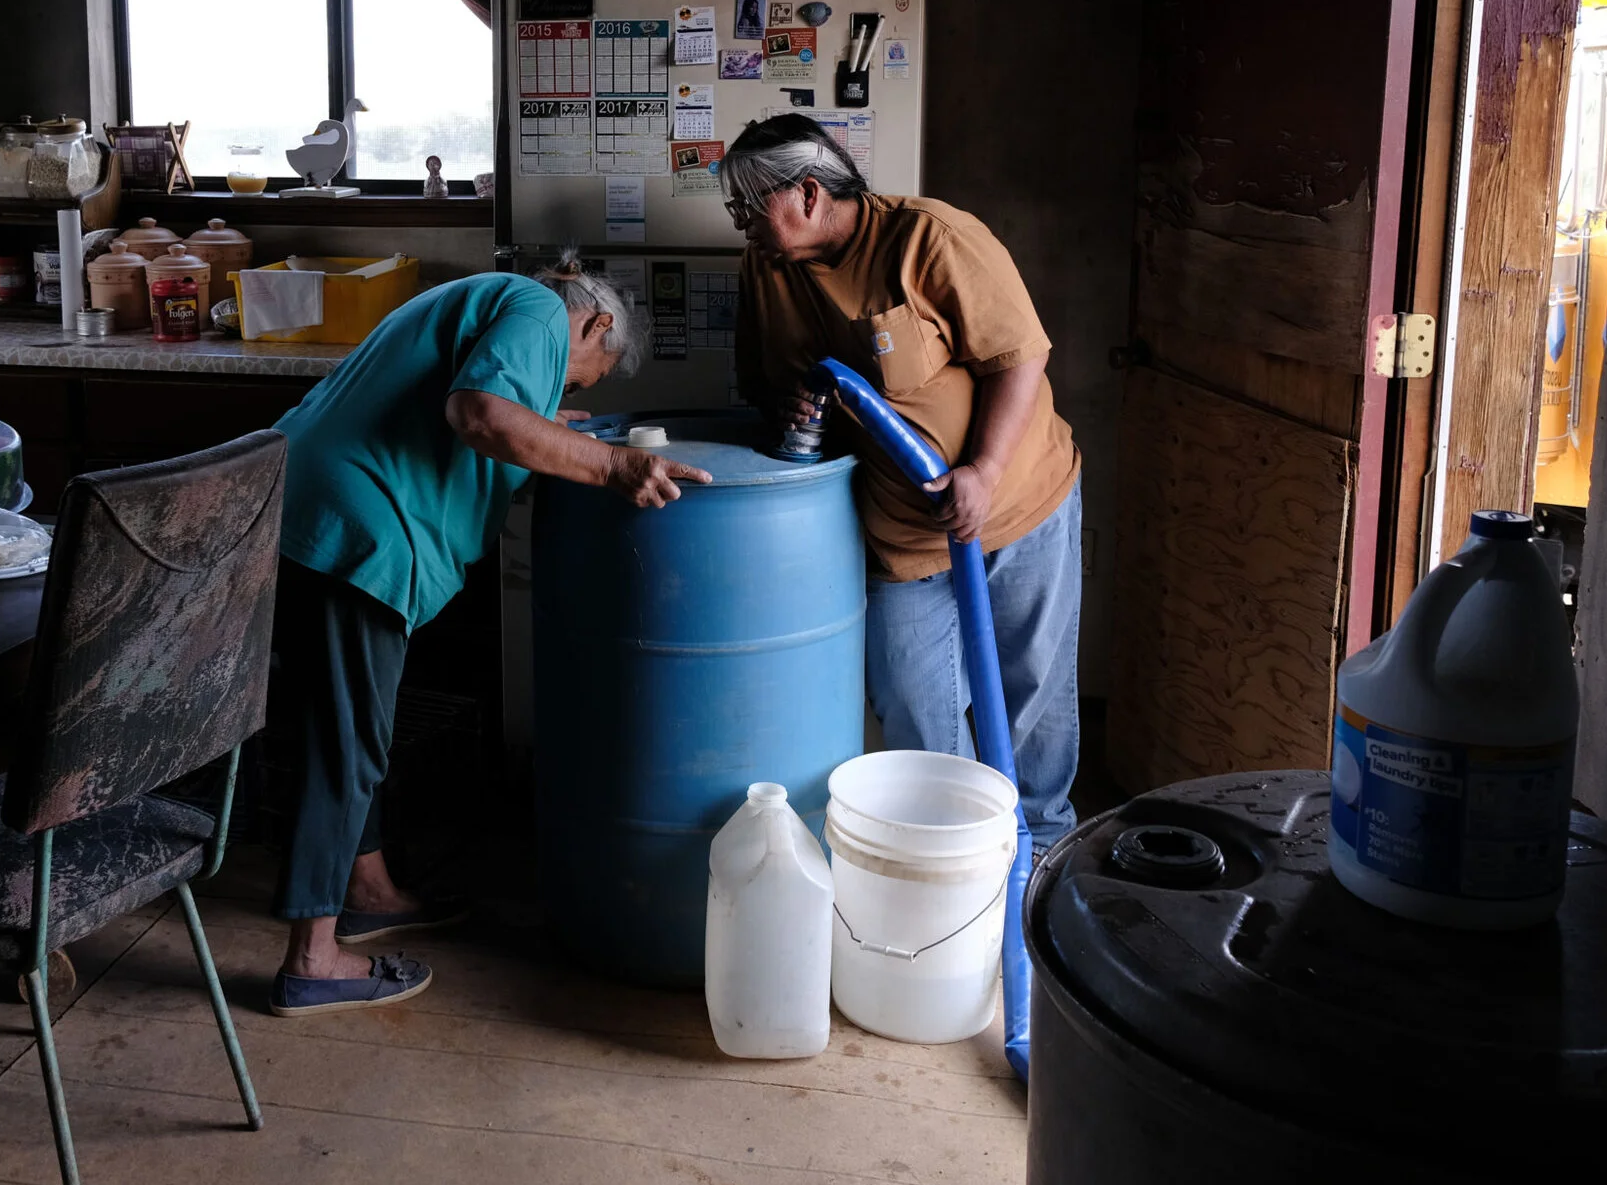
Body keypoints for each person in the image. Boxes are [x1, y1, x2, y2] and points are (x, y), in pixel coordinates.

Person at [265, 260, 709, 1016]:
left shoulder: (488, 298)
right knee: (346, 738)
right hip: (357, 523)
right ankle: (312, 957)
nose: (565, 394)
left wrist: (545, 421)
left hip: (306, 498)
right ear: (595, 325)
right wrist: (613, 462)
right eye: (578, 384)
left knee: (337, 718)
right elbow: (481, 412)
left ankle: (367, 890)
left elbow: (487, 400)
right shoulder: (539, 310)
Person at [726, 114, 1083, 842]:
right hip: (903, 535)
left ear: (808, 192)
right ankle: (947, 855)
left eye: (748, 207)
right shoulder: (764, 270)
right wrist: (792, 404)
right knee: (914, 703)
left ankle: (1039, 849)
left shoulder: (928, 237)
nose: (739, 225)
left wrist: (982, 469)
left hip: (1016, 505)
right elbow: (765, 385)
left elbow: (1020, 355)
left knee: (1029, 691)